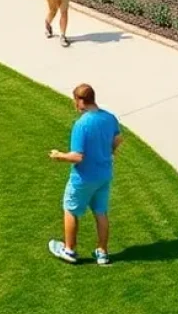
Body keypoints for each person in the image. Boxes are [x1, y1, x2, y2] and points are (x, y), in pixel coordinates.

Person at [48, 83, 122, 266]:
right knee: (101, 212)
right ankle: (103, 253)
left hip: (83, 178)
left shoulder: (81, 125)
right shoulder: (109, 118)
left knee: (71, 210)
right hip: (104, 175)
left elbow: (77, 156)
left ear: (80, 101)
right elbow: (118, 139)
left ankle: (69, 250)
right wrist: (110, 152)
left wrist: (59, 156)